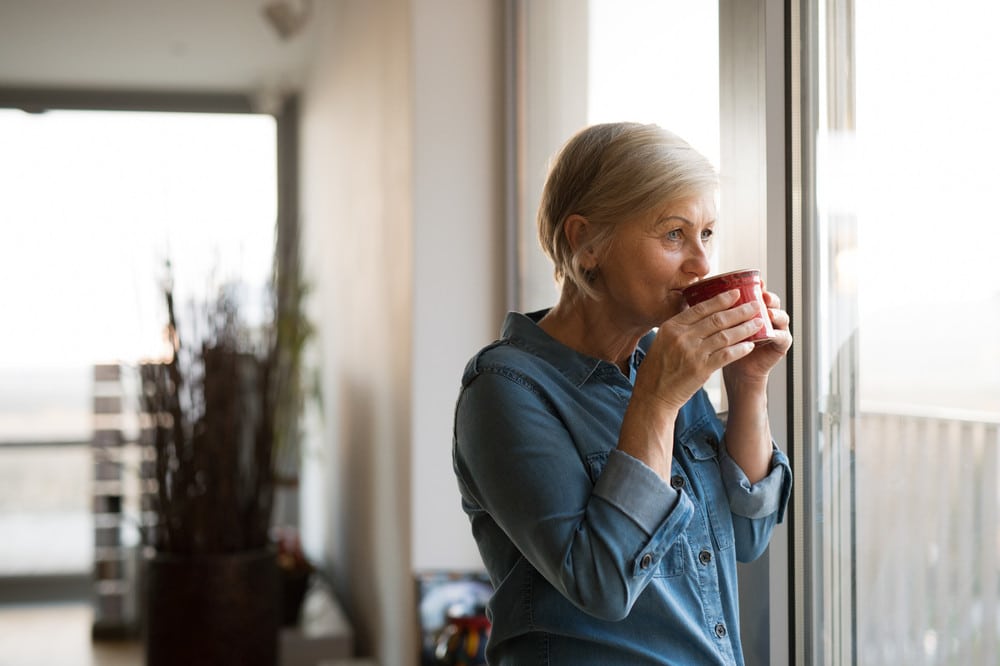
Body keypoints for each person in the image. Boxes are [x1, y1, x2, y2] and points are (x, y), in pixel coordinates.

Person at [452, 122, 793, 665]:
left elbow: (747, 535)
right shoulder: (504, 391)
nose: (702, 264)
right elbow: (603, 584)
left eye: (706, 234)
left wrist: (748, 384)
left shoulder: (660, 363)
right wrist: (656, 404)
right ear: (585, 243)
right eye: (673, 235)